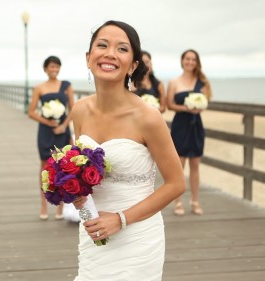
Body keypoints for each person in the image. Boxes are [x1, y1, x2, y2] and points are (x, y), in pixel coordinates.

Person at [70, 20, 185, 280]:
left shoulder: (148, 117)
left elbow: (176, 184)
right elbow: (83, 173)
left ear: (133, 65)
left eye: (122, 49)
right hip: (94, 233)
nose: (110, 53)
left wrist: (120, 219)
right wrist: (73, 191)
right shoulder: (79, 110)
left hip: (137, 238)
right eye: (102, 45)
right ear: (89, 58)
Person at [28, 55, 75, 220]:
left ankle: (60, 207)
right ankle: (44, 205)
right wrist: (47, 121)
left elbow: (73, 109)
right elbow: (31, 112)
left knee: (62, 167)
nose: (54, 70)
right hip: (46, 131)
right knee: (44, 167)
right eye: (51, 67)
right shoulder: (39, 88)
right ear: (45, 69)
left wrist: (63, 126)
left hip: (62, 132)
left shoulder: (66, 86)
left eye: (57, 67)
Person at [167, 49, 213, 216]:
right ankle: (178, 202)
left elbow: (206, 102)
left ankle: (195, 201)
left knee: (195, 165)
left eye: (193, 59)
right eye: (187, 59)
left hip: (196, 126)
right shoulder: (174, 82)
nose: (190, 62)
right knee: (179, 165)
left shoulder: (202, 82)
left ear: (197, 62)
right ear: (182, 61)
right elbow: (170, 104)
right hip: (180, 124)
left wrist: (199, 106)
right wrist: (185, 108)